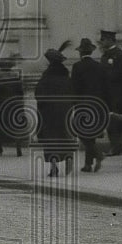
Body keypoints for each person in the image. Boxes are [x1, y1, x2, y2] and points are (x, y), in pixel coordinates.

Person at [35, 43, 77, 177]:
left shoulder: (45, 78)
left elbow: (39, 95)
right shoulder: (67, 78)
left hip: (48, 113)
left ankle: (54, 168)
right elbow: (73, 94)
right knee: (66, 137)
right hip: (65, 110)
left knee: (50, 140)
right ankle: (69, 166)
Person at [70, 37, 107, 172]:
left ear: (80, 53)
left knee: (82, 133)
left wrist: (73, 104)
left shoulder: (77, 67)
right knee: (90, 134)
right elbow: (104, 86)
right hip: (97, 104)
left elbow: (74, 87)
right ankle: (88, 164)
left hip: (82, 104)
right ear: (91, 52)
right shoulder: (99, 66)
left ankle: (98, 154)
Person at [0, 53, 26, 157]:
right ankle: (18, 148)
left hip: (0, 104)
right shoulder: (16, 76)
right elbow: (21, 92)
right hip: (14, 104)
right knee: (15, 126)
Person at [98, 30, 122, 156]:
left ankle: (117, 146)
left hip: (118, 94)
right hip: (107, 94)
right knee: (110, 120)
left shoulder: (119, 55)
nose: (102, 42)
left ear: (110, 39)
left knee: (116, 120)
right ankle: (116, 145)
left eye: (104, 39)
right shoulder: (105, 55)